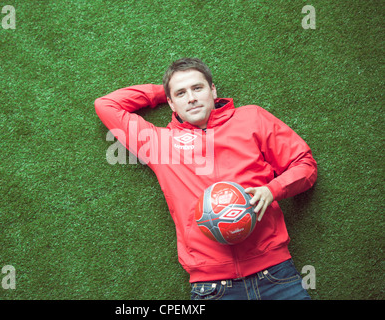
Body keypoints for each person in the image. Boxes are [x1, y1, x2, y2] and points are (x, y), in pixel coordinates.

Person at [95, 58, 317, 300]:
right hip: (212, 288)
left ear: (213, 90)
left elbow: (305, 165)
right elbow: (106, 104)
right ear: (170, 102)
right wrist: (165, 89)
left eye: (198, 88)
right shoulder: (159, 144)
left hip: (276, 275)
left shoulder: (252, 118)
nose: (190, 98)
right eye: (180, 93)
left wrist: (273, 189)